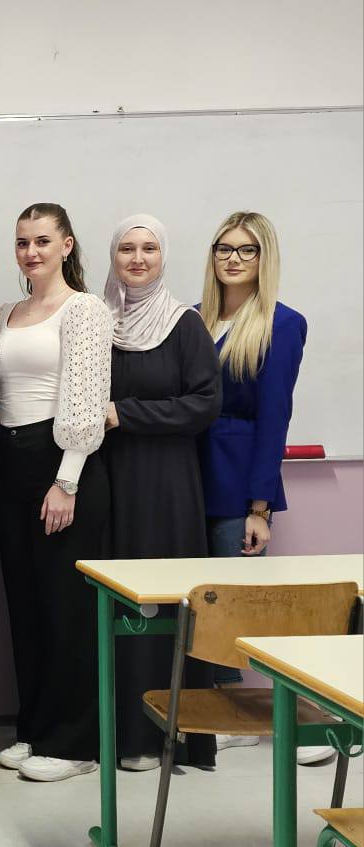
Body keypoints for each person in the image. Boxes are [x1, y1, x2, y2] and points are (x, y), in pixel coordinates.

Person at [0, 202, 112, 783]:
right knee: (26, 605)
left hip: (60, 462)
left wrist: (67, 480)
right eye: (22, 242)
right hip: (8, 462)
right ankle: (35, 729)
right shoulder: (3, 314)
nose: (31, 252)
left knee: (66, 607)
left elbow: (87, 398)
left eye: (42, 240)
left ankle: (73, 743)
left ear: (66, 245)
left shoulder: (84, 309)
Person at [98, 215, 221, 773]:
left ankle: (169, 735)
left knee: (165, 604)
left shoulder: (183, 324)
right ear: (113, 256)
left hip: (167, 483)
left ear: (163, 255)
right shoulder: (98, 320)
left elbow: (204, 404)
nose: (138, 258)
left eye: (149, 248)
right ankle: (124, 735)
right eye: (127, 248)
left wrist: (126, 414)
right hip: (108, 478)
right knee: (118, 602)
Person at [196, 211, 314, 760]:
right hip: (188, 475)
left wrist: (260, 508)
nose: (233, 259)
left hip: (239, 482)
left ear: (264, 258)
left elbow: (275, 419)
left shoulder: (282, 323)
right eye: (224, 248)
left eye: (247, 250)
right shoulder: (195, 318)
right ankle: (208, 706)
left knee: (231, 602)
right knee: (196, 600)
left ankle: (239, 715)